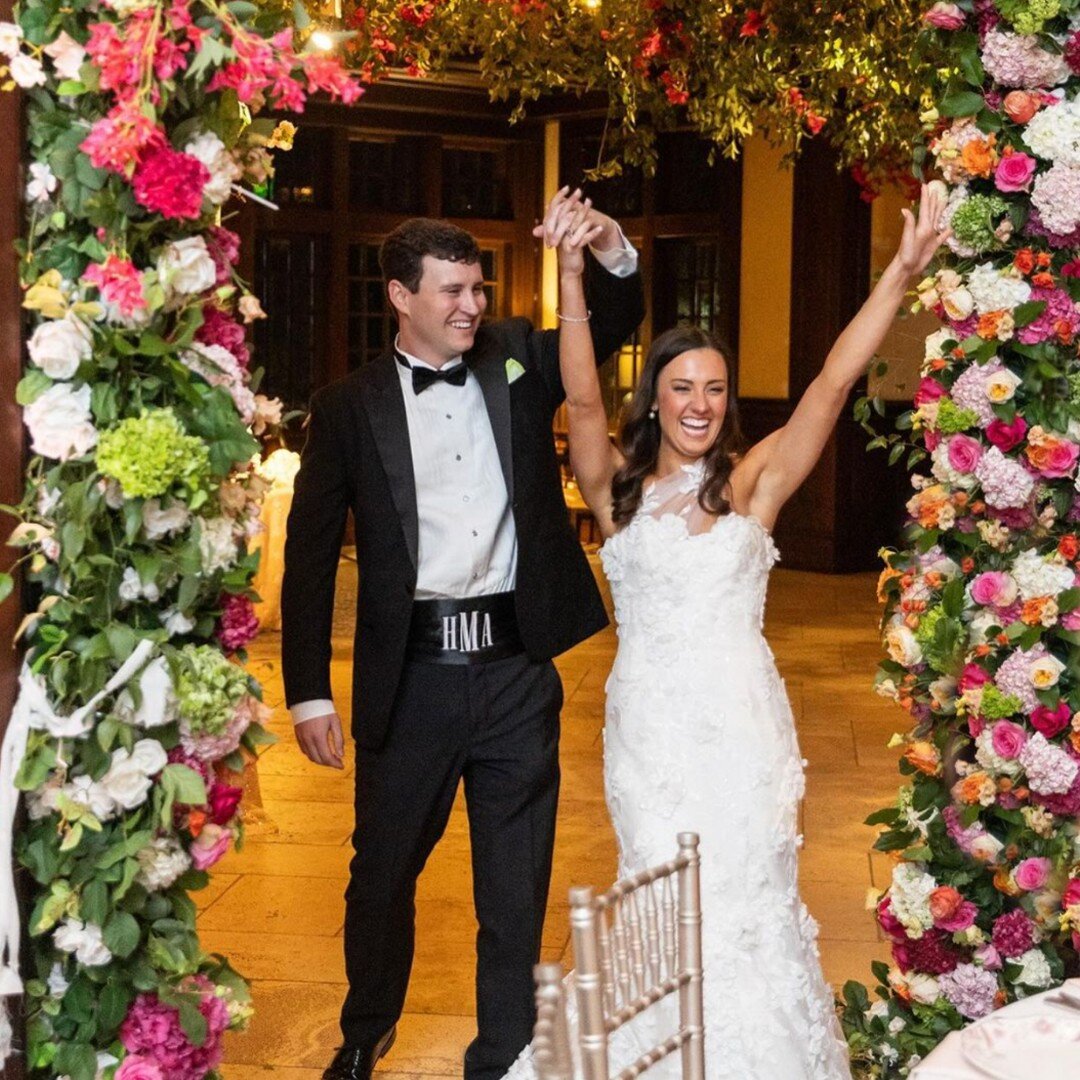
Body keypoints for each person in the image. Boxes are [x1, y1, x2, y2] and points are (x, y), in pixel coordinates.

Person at [503, 185, 949, 1077]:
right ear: (655, 398)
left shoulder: (751, 485)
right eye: (681, 388)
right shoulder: (617, 493)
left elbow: (828, 384)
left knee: (744, 896)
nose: (699, 404)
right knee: (658, 889)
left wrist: (900, 275)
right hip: (651, 734)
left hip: (743, 731)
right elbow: (582, 403)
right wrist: (570, 272)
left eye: (713, 387)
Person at [280, 194, 645, 1080]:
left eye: (475, 289)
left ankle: (505, 1058)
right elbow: (309, 557)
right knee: (381, 877)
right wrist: (308, 691)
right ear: (402, 297)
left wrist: (612, 247)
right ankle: (365, 1034)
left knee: (514, 886)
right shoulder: (346, 407)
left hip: (517, 668)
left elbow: (617, 324)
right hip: (411, 681)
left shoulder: (519, 357)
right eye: (450, 291)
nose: (469, 306)